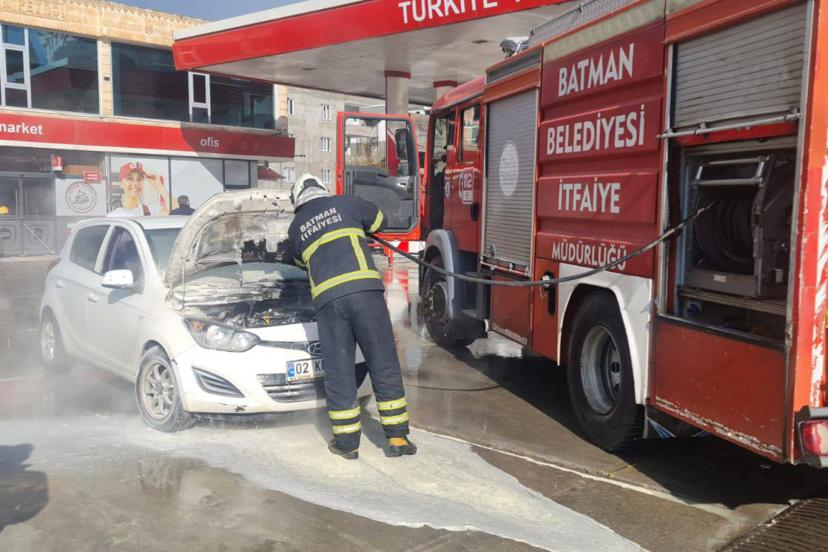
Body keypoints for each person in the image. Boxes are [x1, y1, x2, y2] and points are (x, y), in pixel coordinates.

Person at [287, 173, 416, 460]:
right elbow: (380, 221)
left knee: (339, 369)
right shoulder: (347, 203)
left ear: (297, 199)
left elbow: (298, 260)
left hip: (329, 303)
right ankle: (397, 438)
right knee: (383, 361)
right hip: (365, 295)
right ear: (323, 189)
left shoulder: (296, 227)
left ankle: (347, 444)